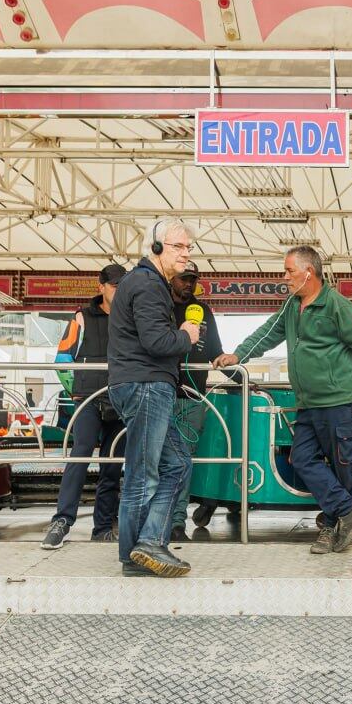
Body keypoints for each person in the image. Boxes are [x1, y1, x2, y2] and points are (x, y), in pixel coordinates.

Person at [214, 245, 352, 554]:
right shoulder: (292, 305)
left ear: (308, 273)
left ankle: (331, 531)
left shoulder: (336, 306)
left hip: (340, 401)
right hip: (308, 403)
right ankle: (348, 509)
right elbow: (267, 334)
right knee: (301, 459)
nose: (284, 277)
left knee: (342, 467)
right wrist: (238, 354)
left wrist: (337, 374)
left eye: (289, 271)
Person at [109, 219, 201, 578]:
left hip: (146, 385)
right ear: (157, 247)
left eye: (189, 248)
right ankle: (136, 555)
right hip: (146, 385)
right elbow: (157, 343)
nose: (186, 254)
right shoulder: (148, 285)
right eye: (179, 247)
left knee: (177, 464)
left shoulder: (147, 283)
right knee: (142, 476)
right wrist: (186, 335)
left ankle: (149, 543)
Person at [41, 264, 128, 549]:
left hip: (120, 399)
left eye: (122, 285)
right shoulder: (81, 318)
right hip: (88, 400)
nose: (118, 290)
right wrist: (77, 392)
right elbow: (63, 359)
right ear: (100, 286)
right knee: (79, 456)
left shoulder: (132, 318)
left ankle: (103, 526)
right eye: (114, 285)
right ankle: (62, 521)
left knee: (112, 465)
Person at [167, 260, 223, 541]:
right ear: (171, 278)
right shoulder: (157, 305)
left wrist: (241, 378)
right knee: (153, 461)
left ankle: (177, 522)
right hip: (159, 395)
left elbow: (215, 352)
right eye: (183, 278)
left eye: (193, 279)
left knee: (182, 461)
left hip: (192, 399)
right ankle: (151, 521)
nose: (188, 283)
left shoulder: (203, 311)